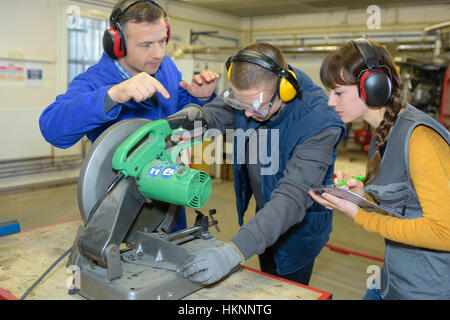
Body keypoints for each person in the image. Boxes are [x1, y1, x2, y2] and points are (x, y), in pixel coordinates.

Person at [172, 42, 345, 285]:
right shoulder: (250, 94)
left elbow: (292, 198)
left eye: (256, 108)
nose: (248, 114)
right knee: (265, 271)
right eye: (240, 105)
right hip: (264, 213)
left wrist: (230, 253)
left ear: (284, 90)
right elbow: (211, 117)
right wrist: (172, 128)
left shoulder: (320, 123)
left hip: (299, 229)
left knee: (286, 286)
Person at [39, 0, 218, 231]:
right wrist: (114, 94)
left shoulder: (167, 69)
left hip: (170, 196)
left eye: (162, 41)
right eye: (146, 45)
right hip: (121, 208)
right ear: (117, 44)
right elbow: (53, 130)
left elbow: (180, 115)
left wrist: (200, 98)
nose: (158, 53)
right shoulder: (95, 81)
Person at [308, 38, 450, 300]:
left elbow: (444, 232)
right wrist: (361, 197)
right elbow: (406, 202)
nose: (331, 101)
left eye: (338, 92)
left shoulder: (420, 138)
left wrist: (358, 215)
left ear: (372, 86)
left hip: (428, 289)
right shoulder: (384, 132)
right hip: (394, 278)